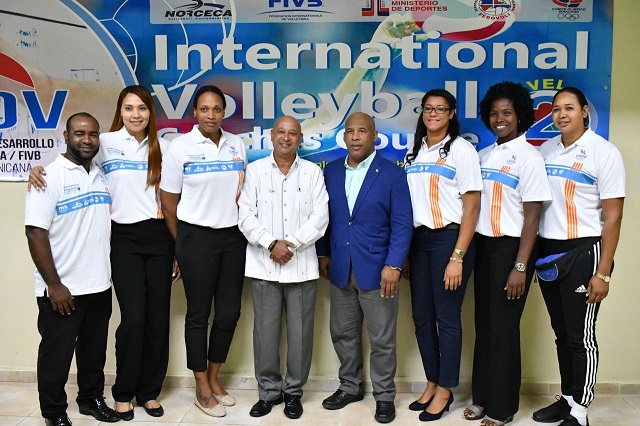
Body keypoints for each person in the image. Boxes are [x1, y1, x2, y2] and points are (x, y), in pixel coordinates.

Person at [28, 85, 175, 420]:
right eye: (128, 108)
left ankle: (148, 392)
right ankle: (123, 392)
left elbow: (173, 200)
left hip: (159, 238)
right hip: (121, 239)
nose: (135, 114)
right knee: (133, 319)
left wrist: (177, 249)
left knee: (158, 318)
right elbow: (66, 162)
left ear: (151, 113)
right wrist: (36, 171)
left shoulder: (164, 147)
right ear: (119, 112)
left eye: (142, 108)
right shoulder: (104, 142)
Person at [532, 87, 625, 426]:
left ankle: (581, 411)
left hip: (585, 251)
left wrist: (602, 274)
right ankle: (568, 398)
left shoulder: (604, 152)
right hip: (548, 253)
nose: (561, 115)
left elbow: (613, 216)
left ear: (584, 111)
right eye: (556, 109)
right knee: (562, 333)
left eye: (569, 108)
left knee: (580, 336)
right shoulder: (546, 149)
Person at [317, 112, 413, 424]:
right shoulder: (330, 171)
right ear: (343, 137)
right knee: (342, 333)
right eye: (350, 131)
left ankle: (384, 396)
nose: (356, 136)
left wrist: (394, 265)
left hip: (378, 270)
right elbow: (323, 218)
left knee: (382, 339)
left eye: (363, 131)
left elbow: (402, 224)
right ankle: (350, 386)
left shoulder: (392, 173)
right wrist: (322, 254)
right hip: (340, 267)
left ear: (374, 137)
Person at [25, 113, 121, 426]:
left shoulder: (101, 174)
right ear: (66, 136)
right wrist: (54, 285)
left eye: (93, 134)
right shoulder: (48, 177)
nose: (87, 140)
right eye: (79, 134)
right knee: (56, 356)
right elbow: (35, 233)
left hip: (98, 284)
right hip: (62, 289)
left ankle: (91, 399)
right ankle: (53, 413)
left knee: (93, 353)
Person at [466, 82, 552, 426]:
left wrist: (520, 265)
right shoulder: (484, 156)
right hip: (483, 248)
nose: (500, 119)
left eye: (507, 113)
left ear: (520, 115)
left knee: (503, 329)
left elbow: (532, 217)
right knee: (484, 326)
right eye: (494, 113)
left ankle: (502, 409)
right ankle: (483, 399)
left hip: (512, 251)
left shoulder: (529, 157)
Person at [160, 85, 247, 418]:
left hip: (232, 239)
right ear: (195, 113)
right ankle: (200, 384)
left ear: (223, 112)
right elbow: (169, 204)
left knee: (228, 313)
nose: (211, 115)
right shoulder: (180, 148)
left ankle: (214, 377)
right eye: (204, 109)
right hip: (195, 239)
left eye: (217, 109)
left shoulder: (235, 143)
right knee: (198, 314)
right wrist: (181, 244)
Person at [238, 116, 329, 420]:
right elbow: (245, 215)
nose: (286, 138)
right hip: (265, 265)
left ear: (300, 139)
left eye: (292, 133)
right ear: (271, 136)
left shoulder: (313, 173)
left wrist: (289, 243)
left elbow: (321, 217)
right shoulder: (255, 171)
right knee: (265, 333)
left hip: (301, 265)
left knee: (301, 335)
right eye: (281, 132)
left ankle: (293, 393)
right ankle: (268, 392)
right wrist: (270, 243)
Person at [403, 89, 482, 421]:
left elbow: (473, 206)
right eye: (428, 108)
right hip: (419, 243)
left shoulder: (462, 150)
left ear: (451, 114)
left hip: (450, 241)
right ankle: (432, 381)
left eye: (441, 109)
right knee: (421, 318)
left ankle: (447, 389)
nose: (433, 113)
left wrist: (458, 257)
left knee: (446, 319)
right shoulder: (416, 151)